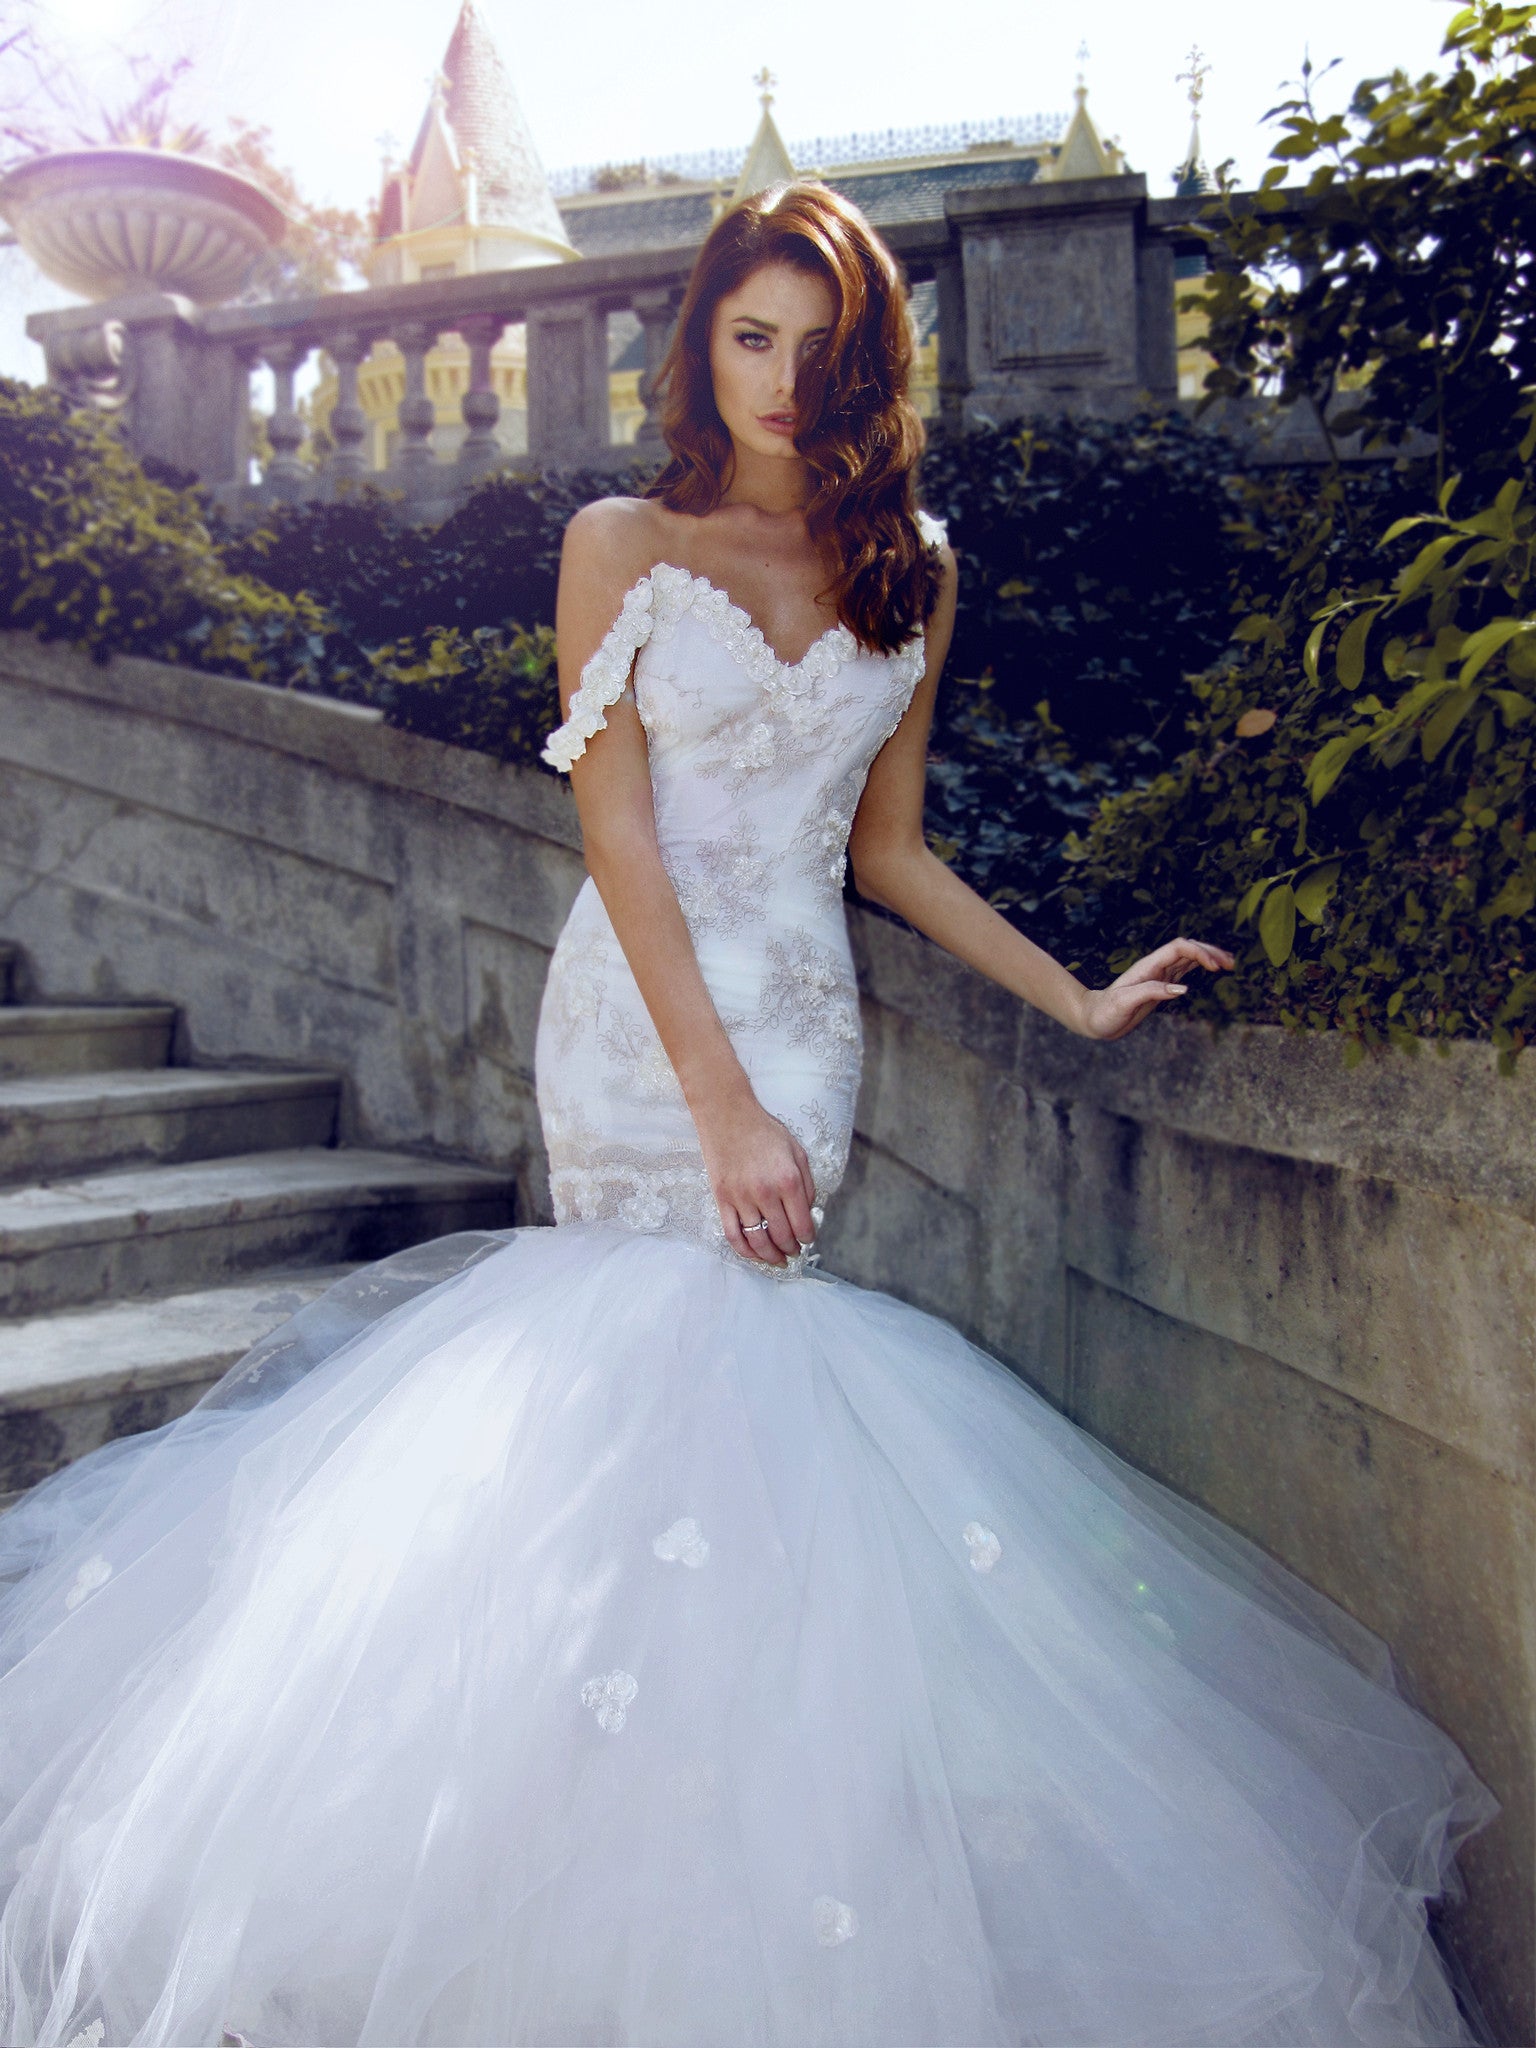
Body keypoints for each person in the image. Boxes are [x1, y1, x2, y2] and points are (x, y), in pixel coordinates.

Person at [0, 183, 1494, 2048]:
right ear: (699, 342)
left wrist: (1076, 995)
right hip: (640, 1022)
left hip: (805, 1014)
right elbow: (616, 831)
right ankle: (558, 1878)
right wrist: (714, 1102)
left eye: (818, 346)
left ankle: (719, 1865)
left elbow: (890, 850)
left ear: (869, 365)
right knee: (635, 1386)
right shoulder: (618, 541)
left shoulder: (913, 564)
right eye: (750, 337)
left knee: (742, 1411)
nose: (782, 379)